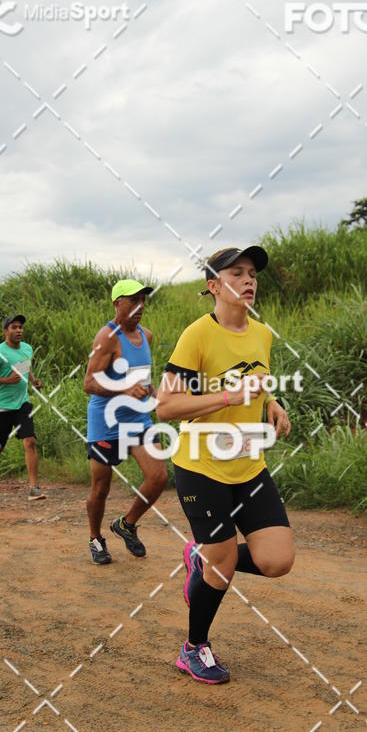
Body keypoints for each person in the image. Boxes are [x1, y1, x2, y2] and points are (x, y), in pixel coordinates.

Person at [156, 247, 294, 684]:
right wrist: (228, 397)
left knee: (278, 560)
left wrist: (271, 402)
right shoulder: (197, 335)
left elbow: (255, 377)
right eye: (237, 273)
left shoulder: (262, 333)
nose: (249, 280)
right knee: (223, 563)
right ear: (214, 286)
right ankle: (193, 648)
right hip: (202, 467)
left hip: (248, 463)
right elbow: (166, 406)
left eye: (252, 273)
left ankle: (203, 556)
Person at [83, 279, 168, 565]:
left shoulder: (147, 335)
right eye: (133, 300)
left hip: (137, 418)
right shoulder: (107, 337)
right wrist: (123, 390)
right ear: (117, 303)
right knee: (101, 488)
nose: (140, 306)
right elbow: (89, 383)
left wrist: (152, 390)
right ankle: (96, 538)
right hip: (106, 422)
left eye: (143, 300)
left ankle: (127, 524)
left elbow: (140, 375)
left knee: (159, 477)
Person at [0, 314, 46, 502]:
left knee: (29, 441)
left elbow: (25, 366)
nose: (19, 330)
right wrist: (7, 380)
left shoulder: (27, 348)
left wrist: (34, 381)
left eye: (20, 327)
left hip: (22, 403)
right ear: (5, 331)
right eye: (14, 327)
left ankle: (34, 488)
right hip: (1, 407)